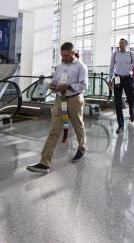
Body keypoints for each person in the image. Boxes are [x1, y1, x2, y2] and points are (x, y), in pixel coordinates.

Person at [27, 42, 88, 173]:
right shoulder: (60, 66)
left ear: (73, 53)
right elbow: (55, 81)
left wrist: (69, 86)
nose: (63, 58)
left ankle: (82, 149)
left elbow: (84, 86)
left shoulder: (81, 67)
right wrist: (53, 85)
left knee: (78, 126)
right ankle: (44, 163)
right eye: (62, 55)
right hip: (60, 101)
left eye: (65, 55)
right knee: (54, 131)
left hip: (74, 100)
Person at [108, 38, 134, 134]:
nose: (121, 44)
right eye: (120, 43)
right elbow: (111, 67)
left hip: (128, 78)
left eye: (123, 43)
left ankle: (131, 110)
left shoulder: (131, 54)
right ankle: (120, 125)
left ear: (126, 45)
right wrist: (110, 79)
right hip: (117, 78)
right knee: (117, 102)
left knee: (131, 98)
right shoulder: (115, 54)